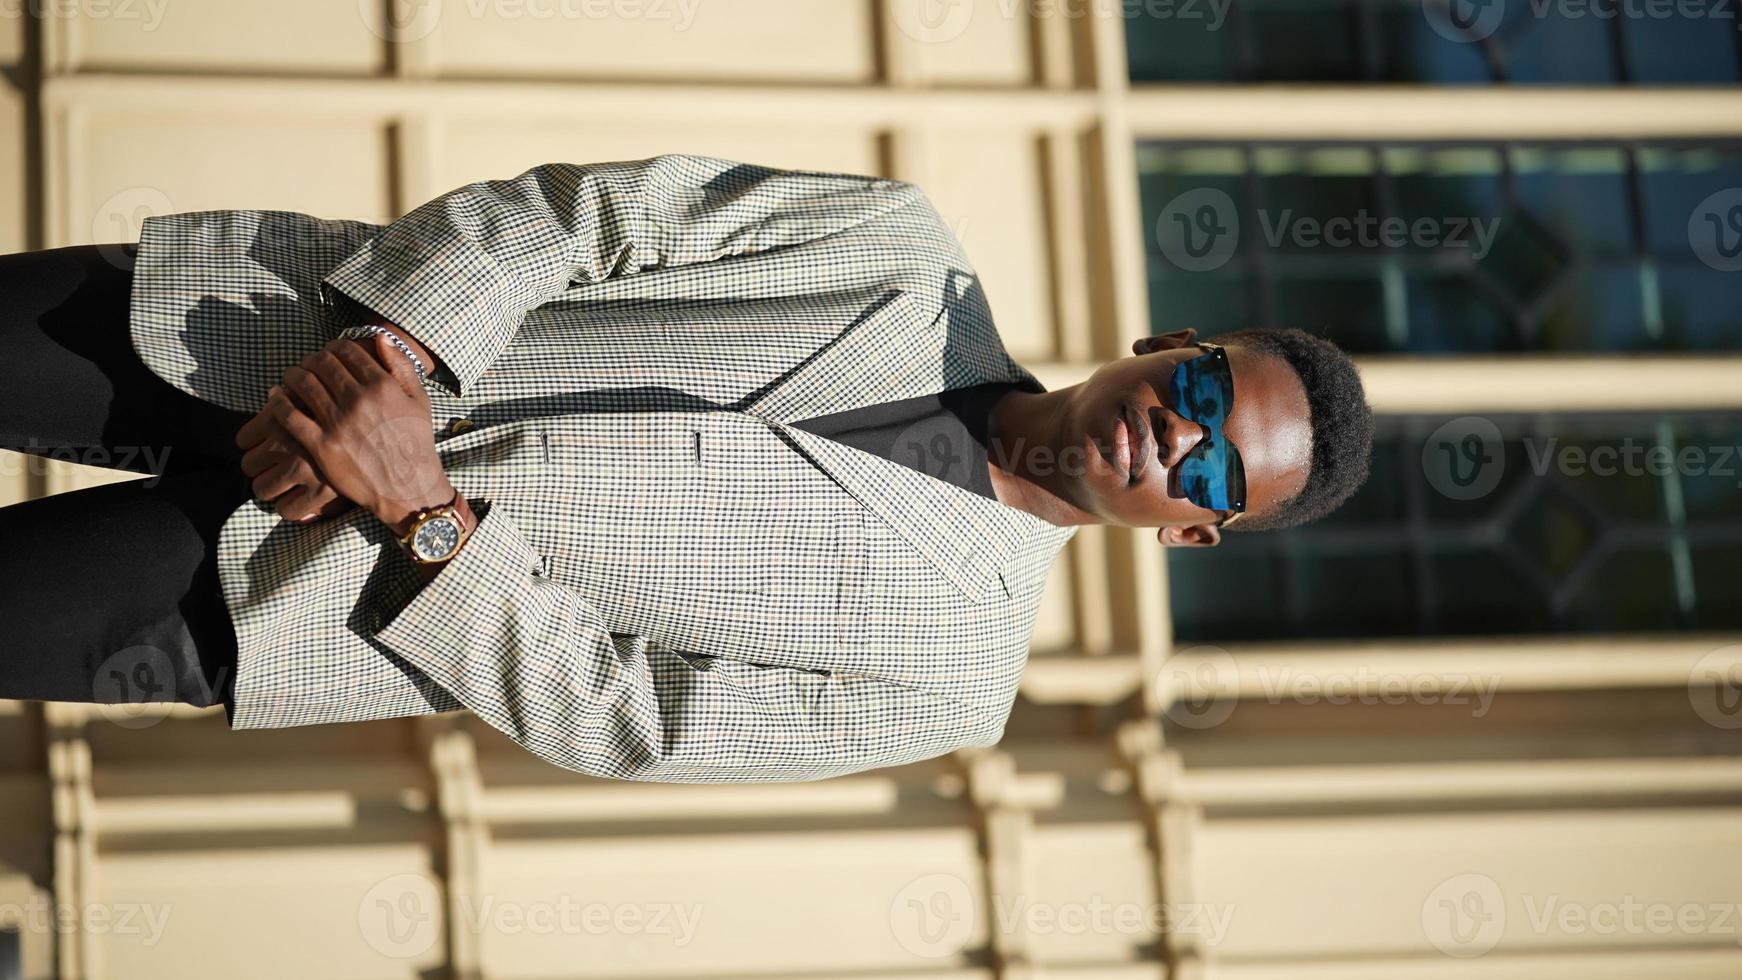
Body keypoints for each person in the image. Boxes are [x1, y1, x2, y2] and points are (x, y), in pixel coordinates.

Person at [0, 154, 1373, 781]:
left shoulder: (953, 679)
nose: (1175, 439)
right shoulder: (900, 246)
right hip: (264, 327)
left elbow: (630, 720)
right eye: (1202, 391)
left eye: (1211, 478)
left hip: (277, 599)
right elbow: (586, 218)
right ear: (1168, 342)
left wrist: (418, 509)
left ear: (1190, 537)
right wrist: (393, 363)